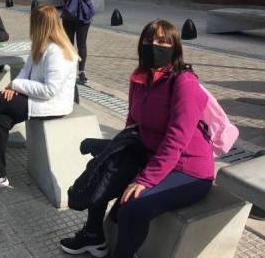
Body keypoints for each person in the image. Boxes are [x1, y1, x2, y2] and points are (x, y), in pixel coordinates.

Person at [60, 19, 214, 258]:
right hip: (149, 153)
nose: (154, 45)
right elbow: (132, 124)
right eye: (149, 39)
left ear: (175, 48)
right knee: (103, 166)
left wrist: (145, 179)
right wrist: (113, 149)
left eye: (163, 41)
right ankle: (93, 236)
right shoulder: (139, 78)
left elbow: (176, 139)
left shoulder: (184, 82)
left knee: (133, 206)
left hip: (188, 169)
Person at [0, 4, 78, 193]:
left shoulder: (58, 52)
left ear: (41, 25)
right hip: (36, 97)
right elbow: (25, 72)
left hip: (52, 104)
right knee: (1, 119)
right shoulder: (41, 45)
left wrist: (15, 86)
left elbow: (50, 90)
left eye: (33, 23)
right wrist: (14, 86)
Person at [42, 0, 95, 85]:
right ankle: (69, 69)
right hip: (69, 17)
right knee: (68, 44)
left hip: (83, 18)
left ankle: (81, 72)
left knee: (81, 45)